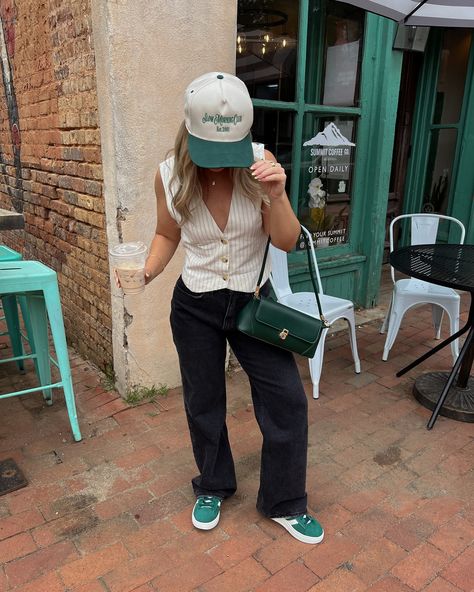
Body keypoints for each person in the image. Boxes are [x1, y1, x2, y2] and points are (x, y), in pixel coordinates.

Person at [144, 72, 324, 545]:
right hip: (195, 305)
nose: (221, 166)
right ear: (190, 131)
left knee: (286, 400)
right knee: (203, 401)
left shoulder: (260, 165)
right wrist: (146, 270)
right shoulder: (169, 174)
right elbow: (168, 235)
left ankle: (285, 501)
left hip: (253, 305)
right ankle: (213, 484)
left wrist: (279, 194)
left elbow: (285, 240)